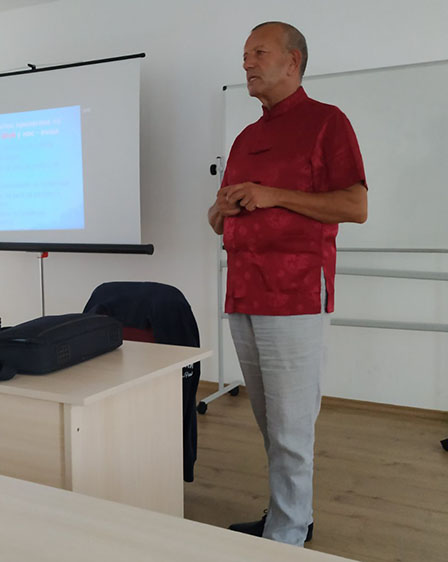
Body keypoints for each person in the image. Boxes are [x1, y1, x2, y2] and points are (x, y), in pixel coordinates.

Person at [208, 21, 367, 547]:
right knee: (270, 422)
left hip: (295, 295)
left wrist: (272, 194)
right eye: (245, 54)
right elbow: (218, 220)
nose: (247, 63)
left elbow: (355, 205)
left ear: (292, 61)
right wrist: (221, 209)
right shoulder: (245, 138)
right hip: (243, 293)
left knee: (291, 425)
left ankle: (289, 534)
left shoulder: (326, 122)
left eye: (259, 52)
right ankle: (289, 514)